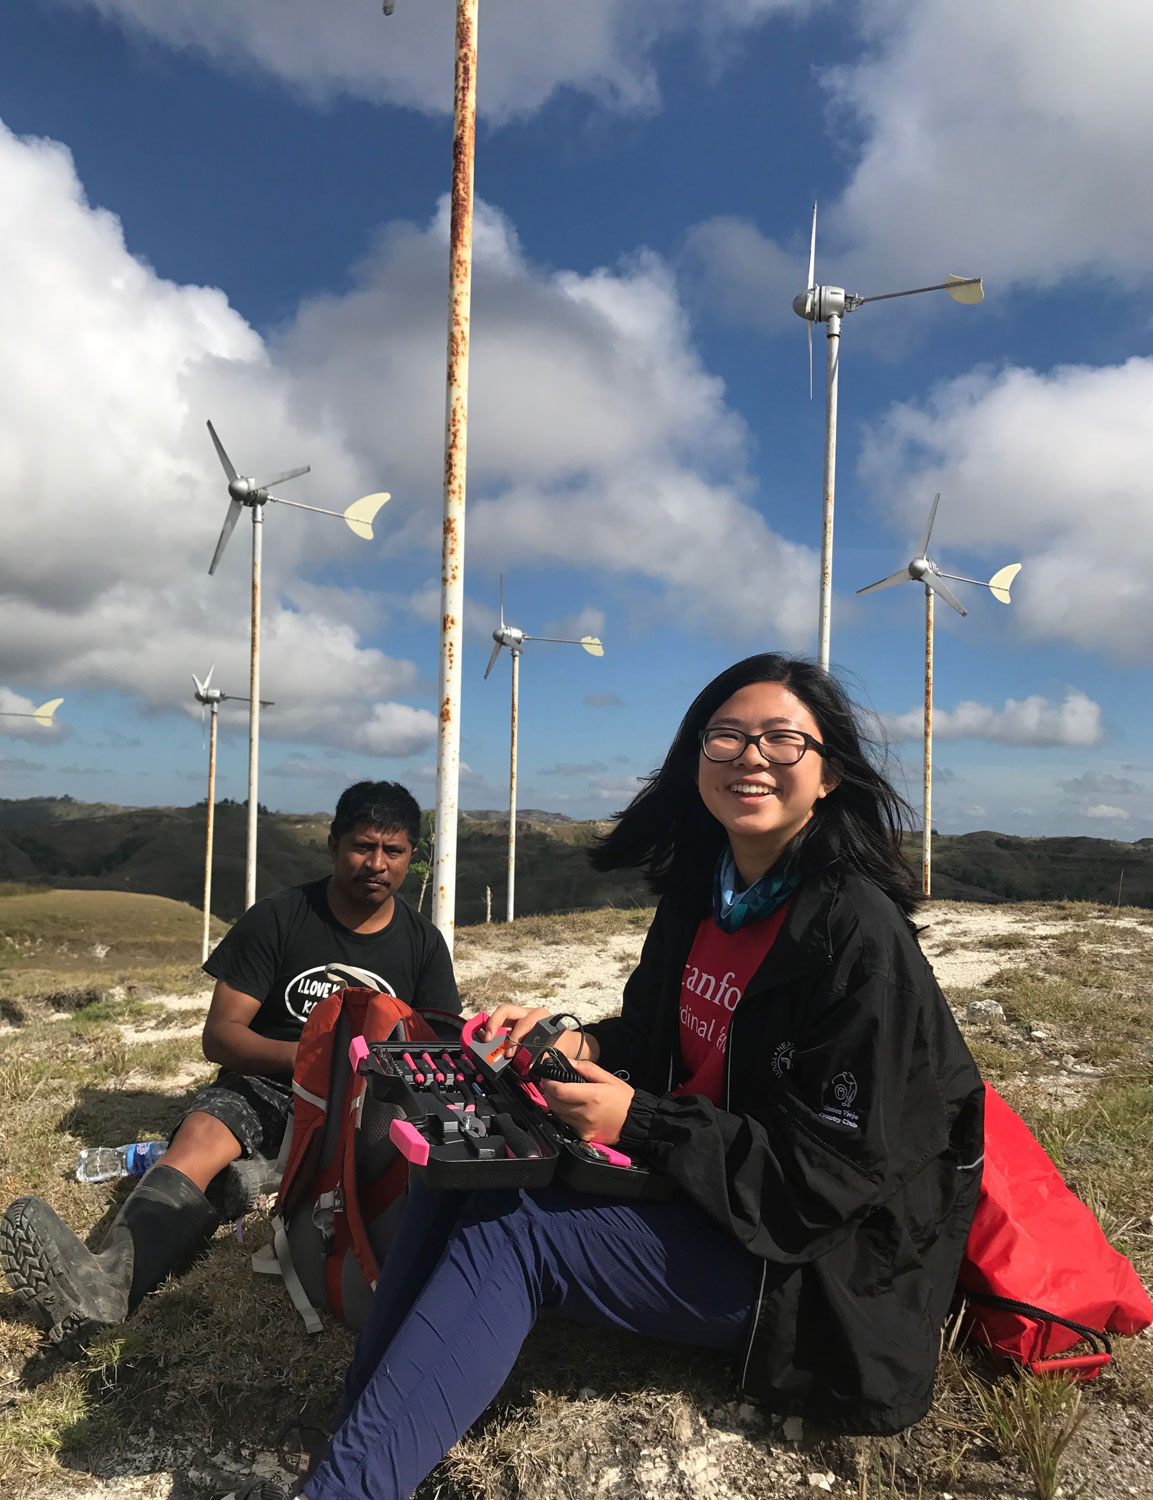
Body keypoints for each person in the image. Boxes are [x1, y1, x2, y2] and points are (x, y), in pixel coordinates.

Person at [289, 654, 984, 1500]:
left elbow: (825, 1186)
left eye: (780, 740)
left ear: (829, 771)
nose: (749, 757)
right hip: (707, 1192)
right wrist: (577, 1046)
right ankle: (363, 1430)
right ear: (696, 760)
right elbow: (664, 1042)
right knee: (461, 1155)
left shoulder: (857, 941)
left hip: (808, 1269)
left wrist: (638, 1123)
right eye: (724, 737)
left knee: (517, 1230)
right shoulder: (703, 896)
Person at [1, 780, 459, 1343]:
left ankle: (259, 1180)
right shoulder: (279, 918)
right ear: (334, 844)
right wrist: (315, 1060)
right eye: (363, 846)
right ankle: (107, 1284)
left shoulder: (423, 944)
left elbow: (436, 1051)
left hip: (365, 1103)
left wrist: (358, 1078)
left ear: (413, 857)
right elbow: (220, 1038)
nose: (377, 863)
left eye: (394, 852)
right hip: (264, 1085)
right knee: (199, 1138)